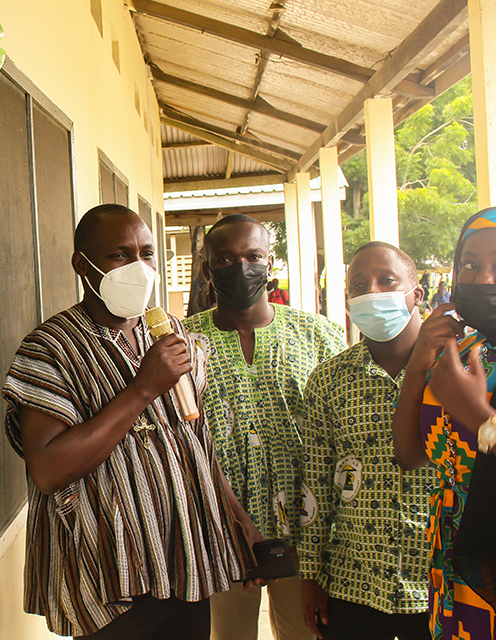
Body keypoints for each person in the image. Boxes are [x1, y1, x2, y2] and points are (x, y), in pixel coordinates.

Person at [3, 204, 256, 639]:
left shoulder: (168, 332)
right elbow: (46, 470)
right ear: (83, 266)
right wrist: (141, 389)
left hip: (184, 560)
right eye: (120, 255)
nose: (138, 267)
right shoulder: (49, 348)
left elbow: (196, 439)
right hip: (109, 572)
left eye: (146, 253)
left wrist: (236, 518)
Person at [182, 214, 346, 640]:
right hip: (221, 531)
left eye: (253, 256)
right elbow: (182, 444)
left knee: (303, 633)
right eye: (226, 258)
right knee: (228, 635)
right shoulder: (182, 345)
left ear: (269, 263)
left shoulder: (320, 336)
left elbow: (338, 437)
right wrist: (232, 524)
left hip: (306, 535)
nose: (241, 267)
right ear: (207, 270)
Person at [299, 242, 434, 640]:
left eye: (387, 281)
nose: (372, 292)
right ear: (347, 303)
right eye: (359, 286)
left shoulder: (457, 368)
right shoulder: (329, 379)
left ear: (417, 294)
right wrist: (311, 577)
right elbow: (316, 485)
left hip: (439, 585)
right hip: (353, 585)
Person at [393, 206, 496, 640]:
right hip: (452, 554)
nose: (484, 280)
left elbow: (476, 419)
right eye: (471, 265)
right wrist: (419, 362)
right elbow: (409, 454)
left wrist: (479, 415)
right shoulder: (462, 347)